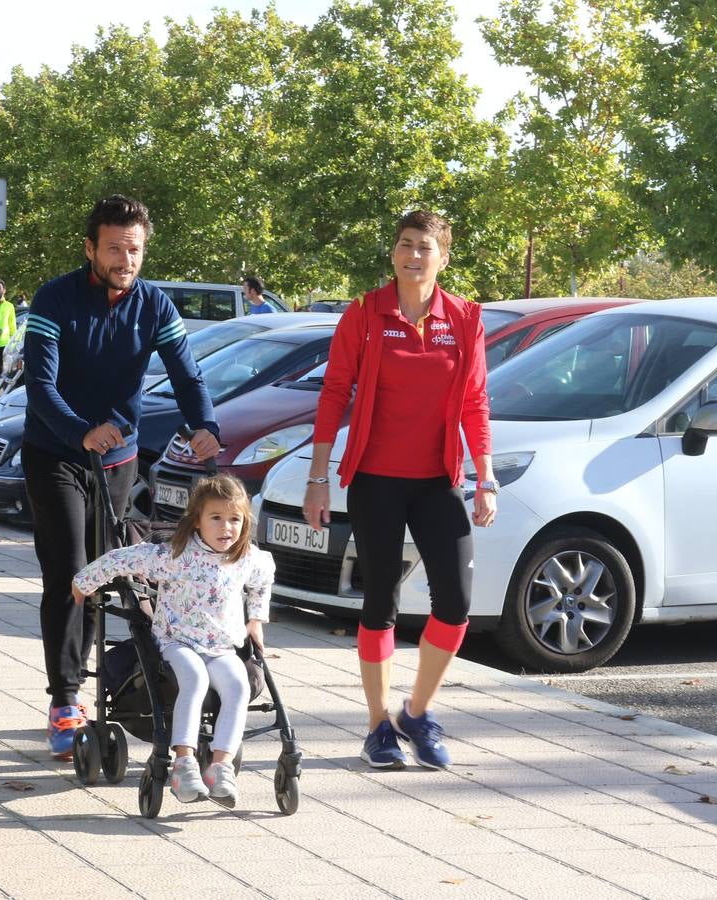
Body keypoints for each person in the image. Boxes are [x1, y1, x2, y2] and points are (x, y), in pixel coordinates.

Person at [23, 193, 221, 759]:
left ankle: (97, 689)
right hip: (57, 452)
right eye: (114, 248)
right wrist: (79, 430)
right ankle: (64, 699)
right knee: (67, 574)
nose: (125, 259)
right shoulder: (55, 299)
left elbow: (187, 374)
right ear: (90, 248)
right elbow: (41, 385)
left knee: (102, 572)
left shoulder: (156, 306)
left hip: (116, 459)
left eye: (134, 249)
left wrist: (203, 423)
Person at [303, 209, 495, 771]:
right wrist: (319, 477)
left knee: (456, 605)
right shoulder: (364, 313)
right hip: (376, 479)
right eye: (405, 245)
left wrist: (485, 478)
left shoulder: (464, 318)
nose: (413, 256)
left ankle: (417, 712)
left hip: (438, 480)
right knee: (379, 600)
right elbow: (335, 392)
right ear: (393, 252)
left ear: (444, 257)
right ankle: (377, 725)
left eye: (425, 247)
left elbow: (475, 403)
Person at [73, 475, 273, 807]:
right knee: (193, 680)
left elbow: (264, 578)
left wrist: (256, 619)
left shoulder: (246, 557)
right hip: (177, 642)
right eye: (217, 518)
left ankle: (221, 766)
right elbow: (123, 559)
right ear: (197, 521)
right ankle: (184, 762)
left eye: (235, 519)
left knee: (238, 686)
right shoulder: (176, 555)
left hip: (221, 646)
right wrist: (84, 581)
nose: (227, 528)